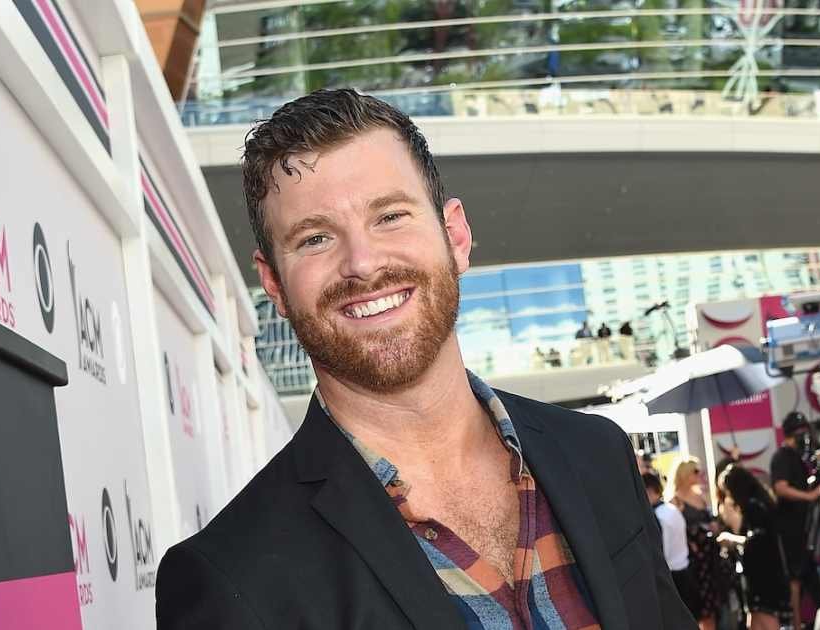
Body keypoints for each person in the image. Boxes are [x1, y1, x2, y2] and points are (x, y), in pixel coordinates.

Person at [155, 89, 694, 629]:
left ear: (455, 235)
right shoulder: (233, 577)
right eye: (316, 238)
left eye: (390, 216)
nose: (364, 264)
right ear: (274, 282)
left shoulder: (597, 454)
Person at [769, 411, 820, 630]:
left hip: (806, 529)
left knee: (811, 580)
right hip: (791, 530)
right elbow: (781, 488)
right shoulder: (782, 456)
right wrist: (809, 496)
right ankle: (796, 624)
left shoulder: (800, 456)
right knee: (795, 580)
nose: (804, 436)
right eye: (800, 432)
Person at [717, 463, 788, 630]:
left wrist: (732, 539)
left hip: (762, 574)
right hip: (761, 573)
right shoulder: (760, 503)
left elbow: (757, 541)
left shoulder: (754, 507)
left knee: (765, 617)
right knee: (754, 620)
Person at [668, 457, 722, 630]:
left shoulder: (700, 497)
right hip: (691, 563)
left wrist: (713, 526)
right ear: (684, 474)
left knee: (710, 609)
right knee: (695, 609)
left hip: (709, 559)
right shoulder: (674, 501)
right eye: (696, 471)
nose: (700, 475)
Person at [644, 472, 697, 619]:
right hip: (685, 571)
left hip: (673, 578)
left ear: (651, 491)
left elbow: (661, 553)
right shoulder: (672, 509)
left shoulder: (658, 516)